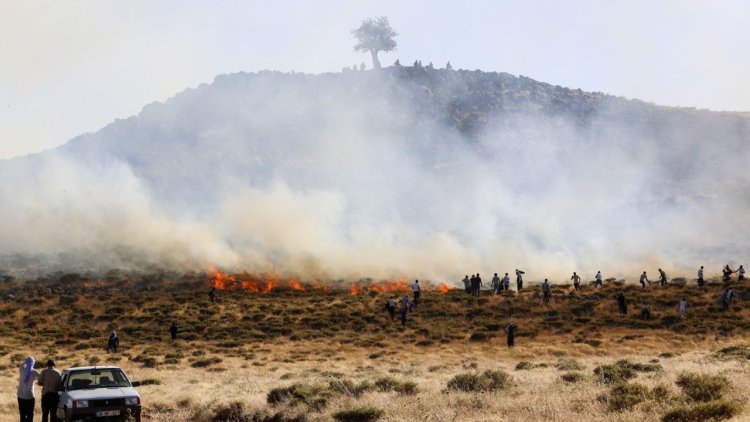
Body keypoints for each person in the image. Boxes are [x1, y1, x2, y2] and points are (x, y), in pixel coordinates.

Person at [17, 356, 40, 422]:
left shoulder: (22, 369)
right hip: (30, 396)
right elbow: (41, 379)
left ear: (26, 362)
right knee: (30, 414)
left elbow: (22, 364)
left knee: (22, 414)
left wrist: (25, 361)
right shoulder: (34, 372)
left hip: (21, 396)